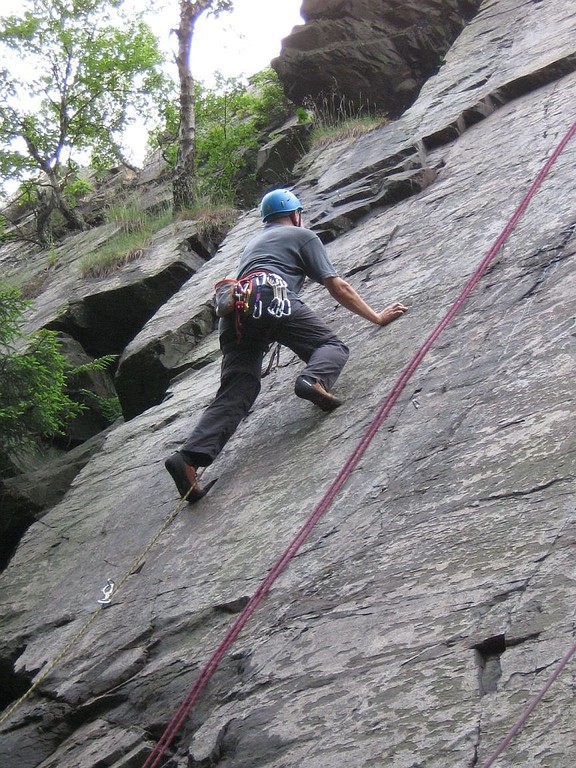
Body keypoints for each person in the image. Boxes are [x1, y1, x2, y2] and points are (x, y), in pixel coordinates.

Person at [165, 189, 407, 502]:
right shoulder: (302, 235)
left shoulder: (251, 246)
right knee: (330, 346)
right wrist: (376, 317)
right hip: (272, 297)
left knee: (239, 389)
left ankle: (188, 459)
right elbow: (337, 285)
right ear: (295, 214)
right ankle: (312, 380)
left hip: (235, 315)